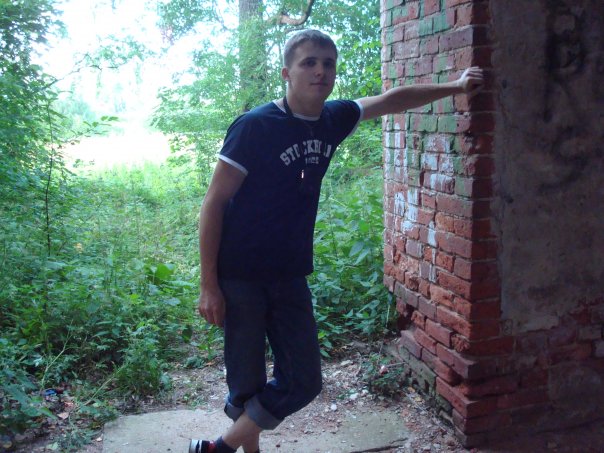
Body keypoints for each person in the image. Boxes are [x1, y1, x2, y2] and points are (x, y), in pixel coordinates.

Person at [192, 29, 483, 453]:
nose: (320, 71)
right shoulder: (255, 126)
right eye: (309, 62)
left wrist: (455, 86)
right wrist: (208, 283)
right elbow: (213, 203)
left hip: (290, 273)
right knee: (245, 380)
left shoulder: (333, 118)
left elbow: (392, 100)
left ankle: (218, 448)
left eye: (328, 63)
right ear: (286, 73)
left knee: (305, 380)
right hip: (240, 274)